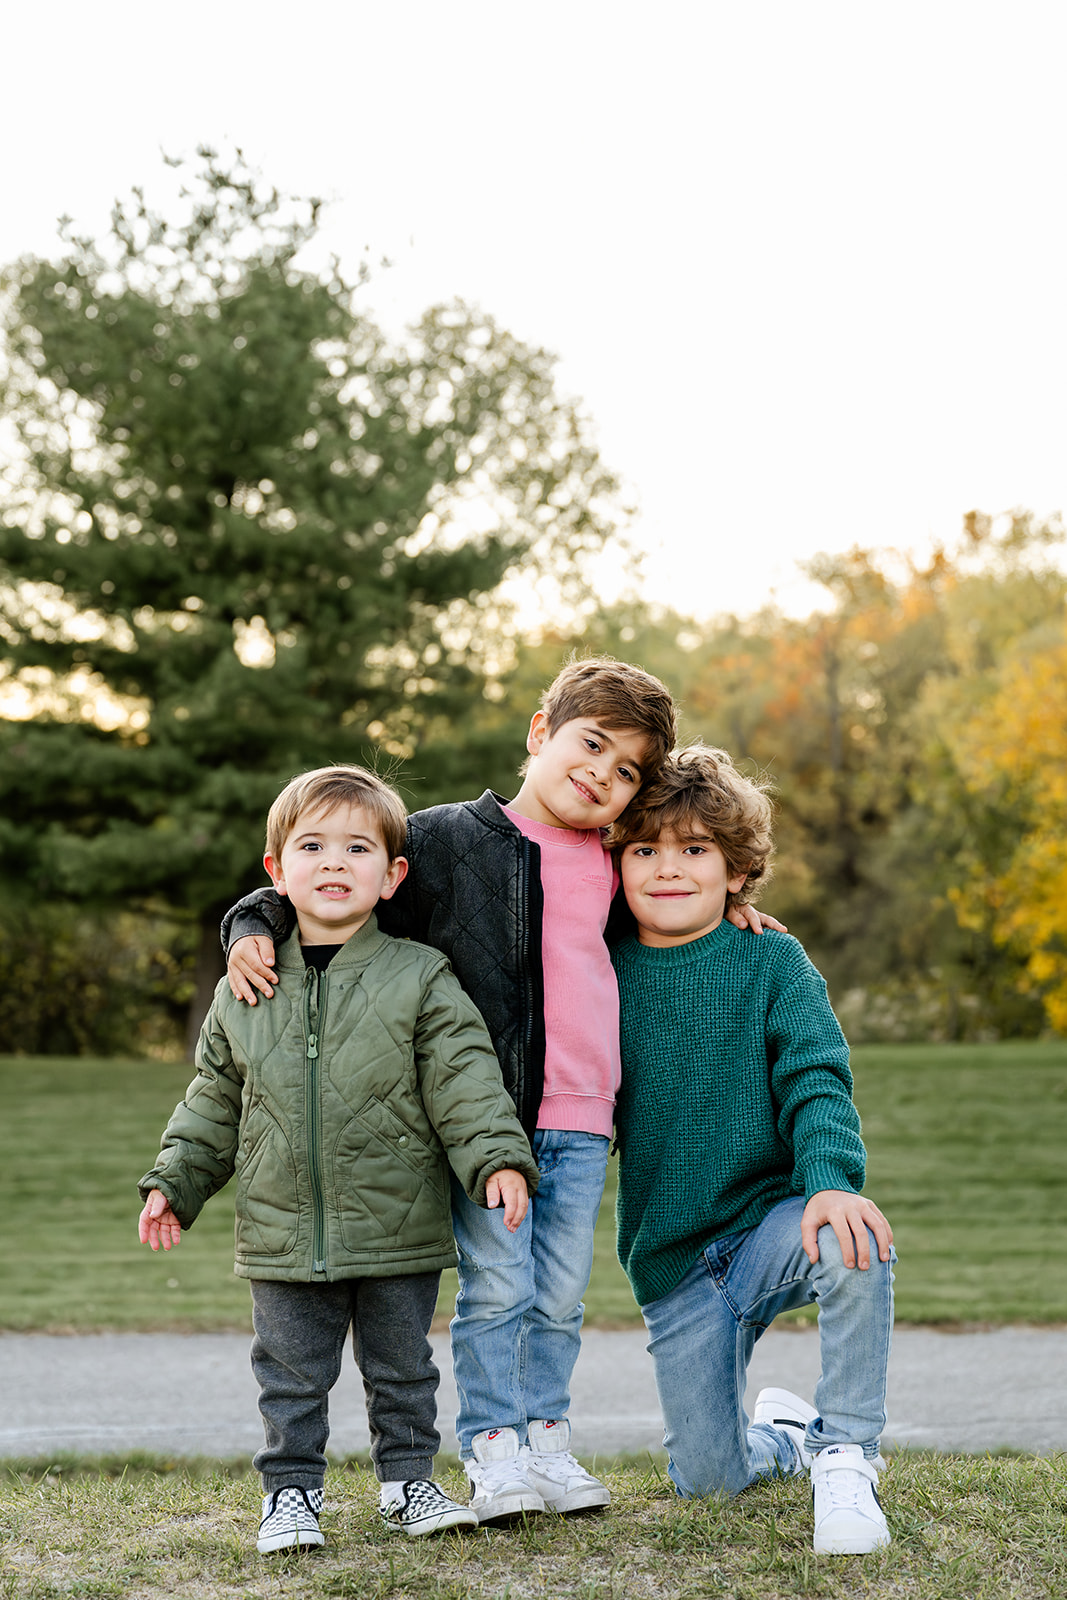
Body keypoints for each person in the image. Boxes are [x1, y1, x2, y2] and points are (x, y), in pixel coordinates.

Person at [224, 658, 776, 1523]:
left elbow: (676, 892)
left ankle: (546, 1441)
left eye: (626, 768)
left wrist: (732, 908)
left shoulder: (613, 858)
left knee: (559, 1295)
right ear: (539, 732)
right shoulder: (444, 840)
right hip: (488, 1123)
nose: (601, 773)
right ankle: (493, 1454)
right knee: (496, 1289)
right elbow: (334, 886)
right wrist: (251, 922)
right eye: (590, 744)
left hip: (586, 1118)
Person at [138, 764, 538, 1553]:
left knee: (402, 1372)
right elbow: (214, 1099)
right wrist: (174, 1183)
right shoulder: (244, 988)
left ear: (391, 877)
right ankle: (290, 1497)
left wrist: (495, 1158)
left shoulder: (419, 976)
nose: (332, 862)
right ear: (275, 872)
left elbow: (462, 1076)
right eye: (312, 845)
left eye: (357, 848)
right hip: (281, 1233)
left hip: (397, 1224)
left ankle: (407, 1484)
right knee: (289, 1377)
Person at [610, 744, 895, 1557]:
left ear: (736, 872)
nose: (668, 869)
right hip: (673, 1263)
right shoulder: (592, 966)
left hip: (770, 1226)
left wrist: (829, 1183)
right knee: (705, 1480)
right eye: (644, 850)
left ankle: (845, 1453)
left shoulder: (770, 957)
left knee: (852, 1239)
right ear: (616, 864)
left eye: (694, 850)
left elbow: (816, 1077)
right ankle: (788, 1438)